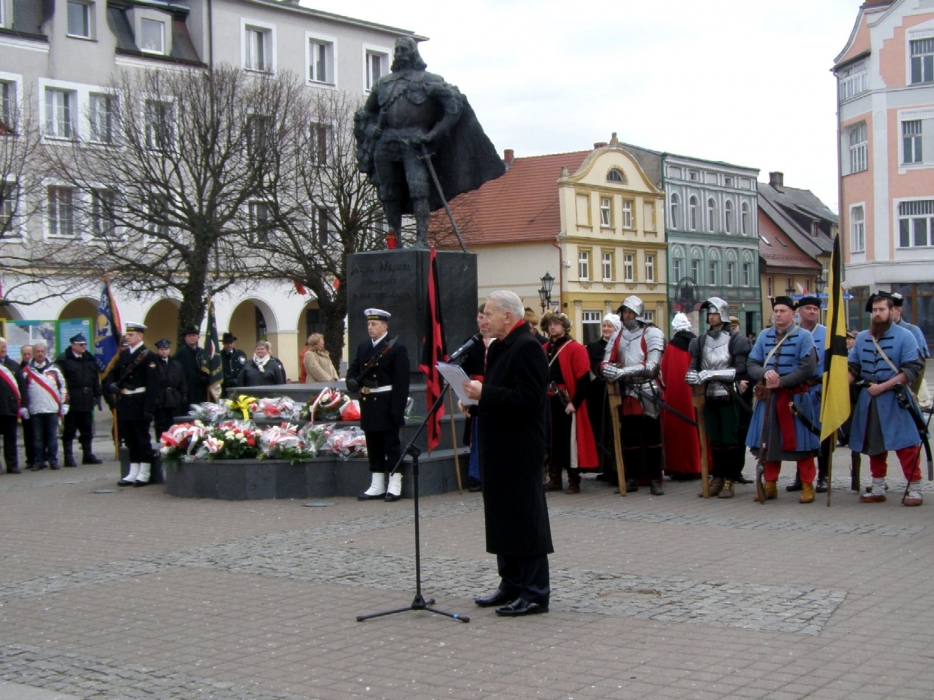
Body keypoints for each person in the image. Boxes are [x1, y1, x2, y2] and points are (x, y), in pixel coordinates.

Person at [354, 37, 504, 249]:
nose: (399, 54)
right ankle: (394, 242)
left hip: (415, 142)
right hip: (386, 143)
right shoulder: (383, 84)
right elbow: (366, 114)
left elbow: (454, 107)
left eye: (404, 50)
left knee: (419, 190)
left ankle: (421, 240)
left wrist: (434, 134)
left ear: (413, 53)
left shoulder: (429, 80)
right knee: (388, 193)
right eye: (397, 50)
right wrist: (371, 129)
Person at [463, 290, 552, 616]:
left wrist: (485, 393)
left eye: (489, 314)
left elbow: (528, 399)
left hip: (520, 447)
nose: (483, 320)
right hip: (498, 446)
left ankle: (535, 591)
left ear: (508, 316)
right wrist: (475, 403)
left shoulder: (527, 347)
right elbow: (500, 394)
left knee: (524, 518)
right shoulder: (500, 346)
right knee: (502, 517)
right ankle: (511, 582)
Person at [849, 293, 926, 506]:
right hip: (870, 400)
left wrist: (882, 387)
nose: (877, 314)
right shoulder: (862, 338)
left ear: (891, 311)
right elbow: (854, 368)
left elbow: (912, 369)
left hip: (897, 398)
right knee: (874, 445)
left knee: (907, 445)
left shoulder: (906, 336)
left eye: (881, 309)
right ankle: (878, 486)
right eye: (874, 310)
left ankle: (914, 488)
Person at [745, 297, 821, 503]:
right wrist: (764, 373)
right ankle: (770, 485)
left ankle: (807, 485)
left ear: (792, 314)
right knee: (768, 444)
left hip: (795, 399)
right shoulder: (764, 335)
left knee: (803, 445)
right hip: (769, 399)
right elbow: (752, 363)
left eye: (783, 311)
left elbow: (807, 368)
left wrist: (782, 381)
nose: (778, 314)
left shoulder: (804, 336)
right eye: (776, 311)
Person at [599, 295, 667, 495]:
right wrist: (608, 369)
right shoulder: (617, 336)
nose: (627, 315)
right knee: (630, 439)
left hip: (648, 389)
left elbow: (652, 367)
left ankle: (654, 479)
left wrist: (622, 371)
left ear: (638, 313)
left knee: (653, 438)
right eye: (624, 312)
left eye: (630, 312)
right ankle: (632, 478)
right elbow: (605, 362)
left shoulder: (652, 333)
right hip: (627, 391)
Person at [685, 299, 751, 498]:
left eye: (714, 313)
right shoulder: (700, 341)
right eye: (709, 314)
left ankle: (730, 479)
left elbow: (741, 369)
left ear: (722, 314)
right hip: (708, 395)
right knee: (713, 438)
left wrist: (711, 374)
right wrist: (691, 375)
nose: (711, 317)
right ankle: (718, 477)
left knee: (729, 439)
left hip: (728, 394)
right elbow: (694, 366)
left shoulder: (736, 340)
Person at [346, 308, 410, 502]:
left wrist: (397, 409)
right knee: (373, 445)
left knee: (391, 445)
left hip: (386, 402)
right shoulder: (363, 347)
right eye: (368, 324)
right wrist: (350, 381)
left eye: (374, 324)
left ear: (384, 326)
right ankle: (377, 484)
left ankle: (395, 483)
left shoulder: (396, 349)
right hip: (368, 403)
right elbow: (353, 370)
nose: (370, 327)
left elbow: (401, 382)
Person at [543, 312, 598, 494]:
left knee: (570, 442)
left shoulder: (575, 348)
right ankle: (555, 479)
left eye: (556, 323)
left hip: (566, 401)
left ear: (564, 326)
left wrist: (574, 402)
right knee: (552, 441)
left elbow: (584, 380)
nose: (552, 327)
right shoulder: (544, 348)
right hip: (549, 401)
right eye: (550, 324)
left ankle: (574, 480)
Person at [105, 322, 159, 487]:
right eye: (127, 335)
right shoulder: (124, 354)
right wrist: (111, 385)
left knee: (142, 438)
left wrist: (149, 408)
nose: (127, 337)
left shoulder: (148, 356)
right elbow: (112, 374)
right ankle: (133, 470)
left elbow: (153, 385)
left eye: (131, 335)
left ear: (140, 336)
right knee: (129, 438)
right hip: (126, 402)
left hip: (140, 401)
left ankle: (145, 472)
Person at [786, 296, 831, 494]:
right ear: (800, 311)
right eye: (808, 308)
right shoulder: (793, 333)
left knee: (822, 434)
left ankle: (824, 476)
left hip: (819, 389)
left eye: (815, 309)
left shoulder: (827, 334)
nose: (812, 312)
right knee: (801, 433)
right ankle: (802, 476)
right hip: (799, 389)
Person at [661, 312, 701, 482]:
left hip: (675, 396)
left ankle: (678, 466)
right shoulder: (696, 343)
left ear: (675, 329)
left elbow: (664, 372)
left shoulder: (671, 347)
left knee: (677, 430)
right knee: (697, 427)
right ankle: (698, 465)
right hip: (695, 393)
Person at [55, 333, 103, 467]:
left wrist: (98, 394)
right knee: (69, 429)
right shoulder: (64, 360)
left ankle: (87, 454)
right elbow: (60, 381)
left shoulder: (89, 358)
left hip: (87, 399)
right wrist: (64, 399)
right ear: (73, 345)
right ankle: (68, 456)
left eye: (85, 344)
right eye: (81, 345)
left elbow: (95, 379)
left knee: (87, 429)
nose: (84, 347)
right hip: (72, 399)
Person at [459, 304, 492, 492]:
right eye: (480, 317)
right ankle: (476, 475)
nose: (483, 321)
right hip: (474, 391)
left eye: (486, 317)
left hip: (491, 391)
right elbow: (463, 371)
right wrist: (463, 395)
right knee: (476, 435)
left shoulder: (499, 342)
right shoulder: (471, 343)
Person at [23, 340, 67, 471]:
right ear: (33, 353)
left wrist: (64, 403)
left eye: (42, 351)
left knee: (52, 438)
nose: (40, 354)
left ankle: (53, 460)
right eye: (37, 352)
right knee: (37, 438)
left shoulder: (54, 370)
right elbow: (23, 391)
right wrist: (25, 406)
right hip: (35, 409)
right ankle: (38, 461)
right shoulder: (26, 372)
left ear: (45, 352)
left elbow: (63, 388)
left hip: (51, 409)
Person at [587, 313, 621, 485]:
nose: (606, 329)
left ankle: (616, 469)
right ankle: (604, 467)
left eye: (610, 326)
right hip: (597, 395)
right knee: (600, 431)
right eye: (604, 325)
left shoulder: (621, 345)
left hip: (615, 394)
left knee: (613, 431)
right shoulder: (593, 347)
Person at [152, 339, 187, 442]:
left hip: (174, 397)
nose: (164, 351)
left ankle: (173, 444)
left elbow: (182, 381)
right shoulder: (154, 364)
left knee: (173, 424)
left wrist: (183, 394)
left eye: (166, 349)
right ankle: (161, 443)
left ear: (169, 350)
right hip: (160, 398)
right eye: (161, 349)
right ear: (158, 350)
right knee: (160, 424)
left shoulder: (176, 364)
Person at [0, 338, 25, 474]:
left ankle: (12, 464)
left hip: (10, 407)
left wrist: (23, 405)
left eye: (5, 347)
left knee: (11, 438)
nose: (3, 349)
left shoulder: (14, 366)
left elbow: (22, 387)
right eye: (1, 347)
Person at [175, 325, 208, 404]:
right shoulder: (181, 353)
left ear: (198, 337)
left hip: (201, 388)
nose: (192, 338)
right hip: (187, 388)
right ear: (185, 338)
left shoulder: (202, 352)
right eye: (189, 336)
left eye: (194, 335)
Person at [19, 345, 35, 469]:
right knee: (28, 434)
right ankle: (30, 459)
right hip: (26, 406)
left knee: (39, 434)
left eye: (29, 354)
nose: (27, 356)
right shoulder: (19, 369)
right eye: (25, 354)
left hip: (38, 405)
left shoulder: (38, 367)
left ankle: (40, 457)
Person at [220, 332, 247, 397]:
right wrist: (229, 379)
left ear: (234, 343)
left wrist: (238, 379)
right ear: (223, 344)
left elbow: (244, 368)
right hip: (225, 386)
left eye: (231, 343)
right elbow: (219, 370)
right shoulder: (219, 355)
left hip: (239, 385)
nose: (229, 345)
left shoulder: (240, 354)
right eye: (227, 343)